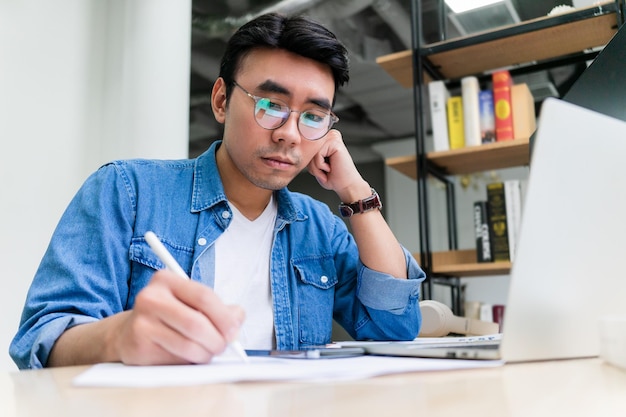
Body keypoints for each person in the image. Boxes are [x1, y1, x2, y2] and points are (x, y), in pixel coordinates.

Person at [10, 13, 425, 370]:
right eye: (270, 105)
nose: (290, 134)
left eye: (314, 116)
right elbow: (40, 340)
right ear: (222, 100)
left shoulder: (318, 227)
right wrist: (118, 338)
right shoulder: (127, 191)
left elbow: (395, 328)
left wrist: (356, 192)